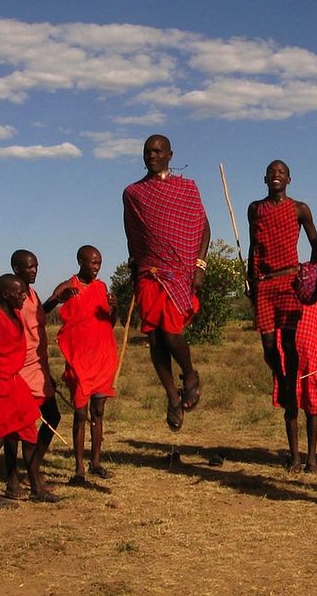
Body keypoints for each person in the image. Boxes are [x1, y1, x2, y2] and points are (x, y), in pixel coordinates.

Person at [123, 134, 210, 432]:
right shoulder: (133, 193)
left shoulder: (187, 188)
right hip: (149, 273)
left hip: (181, 271)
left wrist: (200, 265)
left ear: (171, 155)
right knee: (155, 338)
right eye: (148, 151)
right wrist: (134, 264)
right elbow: (132, 232)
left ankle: (190, 375)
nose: (152, 155)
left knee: (172, 333)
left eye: (158, 151)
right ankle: (172, 396)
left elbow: (203, 227)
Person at [247, 159, 317, 472]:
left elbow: (316, 245)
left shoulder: (299, 209)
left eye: (281, 172)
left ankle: (290, 385)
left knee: (289, 343)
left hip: (290, 280)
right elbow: (253, 246)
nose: (276, 176)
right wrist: (249, 278)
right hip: (264, 284)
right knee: (268, 346)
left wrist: (312, 272)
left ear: (289, 178)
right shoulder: (255, 209)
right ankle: (285, 382)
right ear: (264, 177)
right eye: (271, 172)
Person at [0, 274, 49, 507]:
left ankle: (36, 488)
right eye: (19, 293)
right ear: (6, 294)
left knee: (29, 432)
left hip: (15, 383)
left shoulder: (15, 314)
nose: (24, 296)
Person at [47, 245, 119, 483]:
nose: (97, 267)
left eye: (99, 263)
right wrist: (59, 298)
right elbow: (44, 309)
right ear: (80, 261)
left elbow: (109, 321)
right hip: (79, 360)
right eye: (93, 263)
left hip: (101, 357)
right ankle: (79, 468)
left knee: (98, 412)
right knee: (80, 413)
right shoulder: (69, 286)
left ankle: (95, 462)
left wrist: (115, 307)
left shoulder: (101, 288)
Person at [6, 249, 61, 500]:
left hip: (38, 366)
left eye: (36, 266)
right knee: (17, 427)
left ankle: (33, 469)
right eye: (29, 267)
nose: (34, 270)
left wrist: (55, 300)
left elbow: (37, 319)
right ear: (16, 269)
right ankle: (12, 479)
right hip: (20, 369)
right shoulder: (13, 297)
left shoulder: (33, 294)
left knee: (52, 415)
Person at [272, 298, 317, 472]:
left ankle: (311, 458)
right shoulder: (285, 299)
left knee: (312, 410)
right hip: (289, 360)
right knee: (291, 409)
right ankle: (295, 458)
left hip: (313, 360)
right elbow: (277, 332)